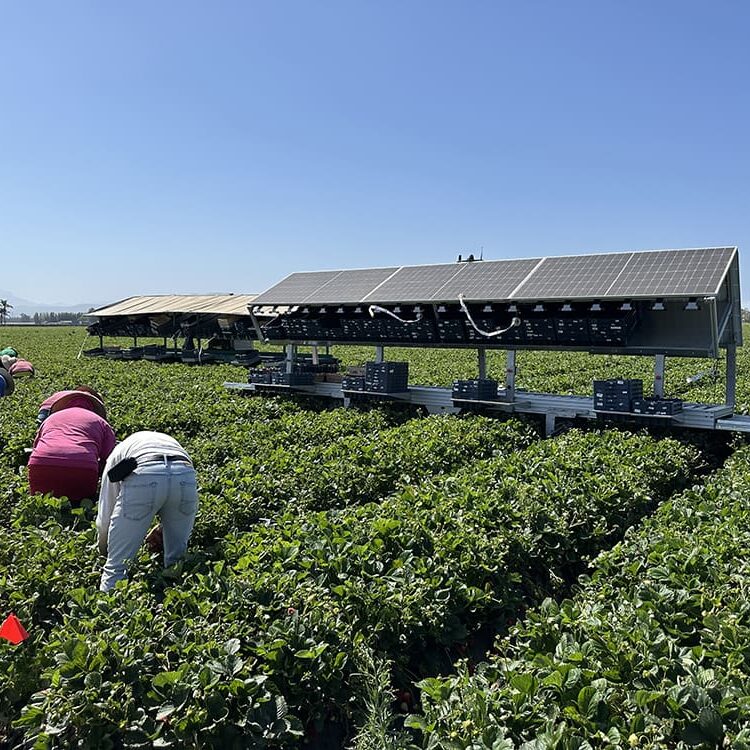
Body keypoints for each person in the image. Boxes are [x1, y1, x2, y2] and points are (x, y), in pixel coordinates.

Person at [96, 431, 199, 592]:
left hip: (144, 472)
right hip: (184, 472)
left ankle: (108, 608)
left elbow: (106, 516)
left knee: (116, 569)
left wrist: (103, 551)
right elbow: (170, 485)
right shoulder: (167, 441)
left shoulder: (116, 456)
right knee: (176, 563)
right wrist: (162, 529)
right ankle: (176, 603)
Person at [28, 391, 115, 503]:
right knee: (80, 507)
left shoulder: (51, 418)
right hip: (83, 467)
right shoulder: (101, 422)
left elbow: (36, 446)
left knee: (41, 504)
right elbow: (109, 458)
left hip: (40, 463)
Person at [37, 385, 105, 425]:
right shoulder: (83, 399)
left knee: (42, 424)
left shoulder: (65, 393)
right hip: (54, 411)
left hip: (44, 408)